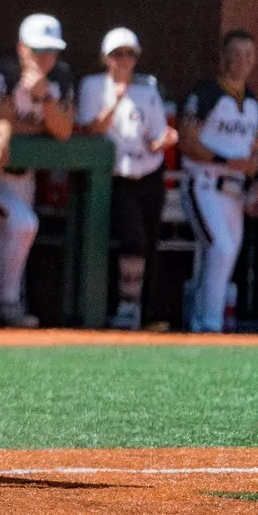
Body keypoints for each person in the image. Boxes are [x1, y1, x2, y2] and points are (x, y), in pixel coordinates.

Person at [0, 14, 74, 328]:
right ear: (22, 48)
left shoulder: (60, 76)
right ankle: (11, 301)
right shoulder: (4, 72)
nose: (46, 58)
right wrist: (29, 125)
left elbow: (63, 130)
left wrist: (43, 97)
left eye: (52, 51)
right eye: (38, 50)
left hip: (22, 176)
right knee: (24, 224)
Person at [78, 27, 176, 330]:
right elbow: (89, 129)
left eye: (129, 54)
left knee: (149, 241)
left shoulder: (147, 91)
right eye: (117, 54)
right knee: (132, 238)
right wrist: (116, 100)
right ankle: (125, 305)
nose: (124, 60)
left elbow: (157, 134)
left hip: (147, 172)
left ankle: (146, 314)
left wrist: (164, 140)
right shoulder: (93, 86)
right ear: (105, 58)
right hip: (113, 176)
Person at [178, 30, 258, 334]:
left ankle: (201, 322)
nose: (242, 61)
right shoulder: (205, 93)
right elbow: (186, 142)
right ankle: (210, 327)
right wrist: (225, 161)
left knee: (225, 256)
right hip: (203, 182)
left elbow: (255, 150)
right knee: (221, 248)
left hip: (234, 191)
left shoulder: (252, 101)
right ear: (223, 57)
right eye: (236, 53)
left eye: (248, 55)